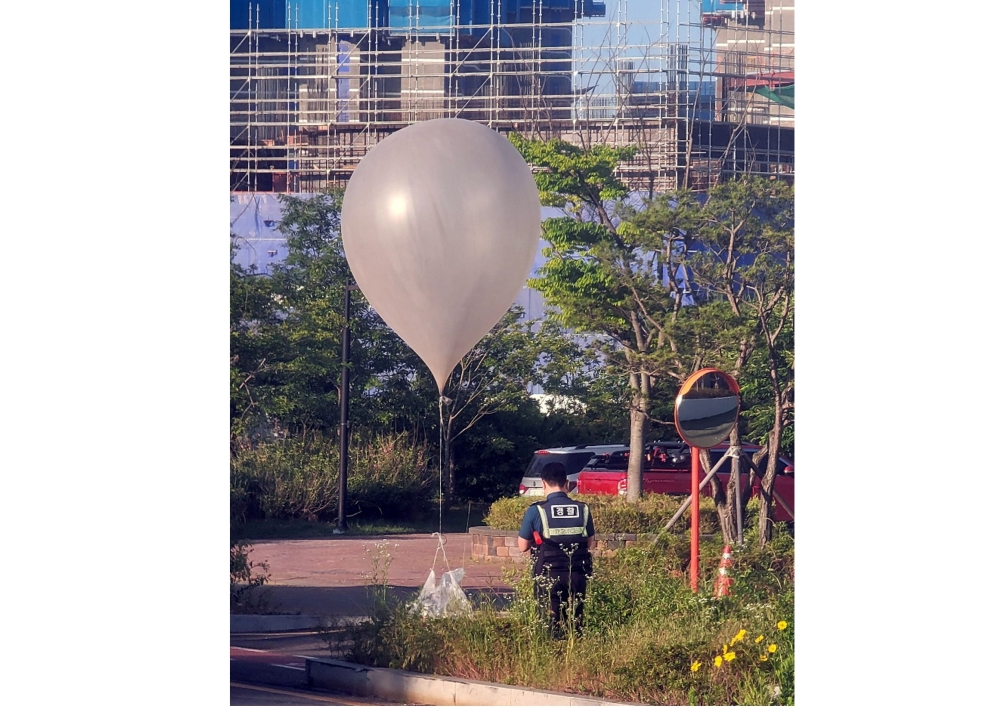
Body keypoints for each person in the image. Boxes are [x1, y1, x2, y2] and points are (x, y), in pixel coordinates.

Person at [517, 461, 596, 638]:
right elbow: (589, 543)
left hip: (548, 575)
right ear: (567, 483)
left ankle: (553, 647)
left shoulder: (536, 510)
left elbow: (523, 546)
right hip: (577, 574)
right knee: (575, 624)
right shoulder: (583, 509)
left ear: (543, 483)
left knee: (549, 625)